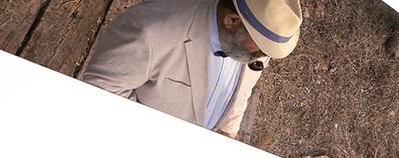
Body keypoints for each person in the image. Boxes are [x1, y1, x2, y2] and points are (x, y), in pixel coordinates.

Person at [81, 0, 302, 139]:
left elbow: (243, 85)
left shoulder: (255, 39)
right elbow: (99, 93)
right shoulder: (148, 32)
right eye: (262, 50)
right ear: (232, 20)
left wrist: (228, 128)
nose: (263, 59)